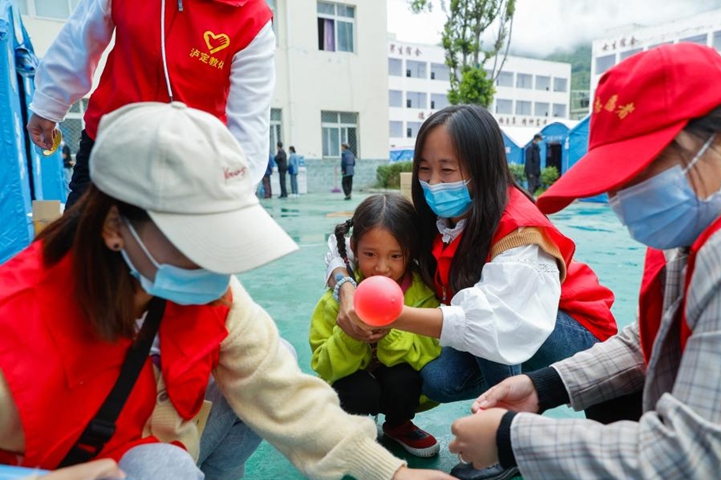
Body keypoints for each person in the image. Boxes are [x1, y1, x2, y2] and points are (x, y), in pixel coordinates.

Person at [0, 102, 453, 480]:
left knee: (272, 363)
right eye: (196, 240)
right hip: (74, 463)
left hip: (158, 435)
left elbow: (281, 390)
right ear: (115, 226)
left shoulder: (210, 290)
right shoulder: (16, 323)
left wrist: (394, 473)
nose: (217, 263)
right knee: (163, 468)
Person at [448, 43, 721, 480]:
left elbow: (700, 456)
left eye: (641, 172)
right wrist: (544, 386)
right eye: (614, 182)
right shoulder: (703, 215)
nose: (621, 200)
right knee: (610, 397)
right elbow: (650, 339)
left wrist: (510, 439)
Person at [328, 105, 631, 480]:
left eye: (448, 169)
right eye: (424, 168)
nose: (434, 182)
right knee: (439, 379)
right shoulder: (440, 217)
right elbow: (345, 239)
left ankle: (508, 445)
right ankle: (503, 404)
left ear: (482, 167)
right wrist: (345, 285)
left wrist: (391, 315)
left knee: (490, 328)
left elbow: (493, 321)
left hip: (575, 334)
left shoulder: (518, 229)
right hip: (498, 327)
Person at [26, 0, 276, 209]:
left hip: (190, 166)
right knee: (78, 251)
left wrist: (237, 194)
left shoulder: (251, 19)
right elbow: (80, 38)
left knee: (173, 259)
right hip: (108, 146)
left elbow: (248, 123)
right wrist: (50, 103)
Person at [310, 194, 442, 458]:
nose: (382, 268)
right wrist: (349, 337)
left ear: (411, 253)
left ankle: (398, 424)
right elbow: (323, 365)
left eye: (395, 256)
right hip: (357, 381)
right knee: (359, 390)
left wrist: (392, 332)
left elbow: (428, 355)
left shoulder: (422, 295)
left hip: (396, 379)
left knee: (405, 379)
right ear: (354, 248)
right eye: (370, 254)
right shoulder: (338, 299)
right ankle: (350, 428)